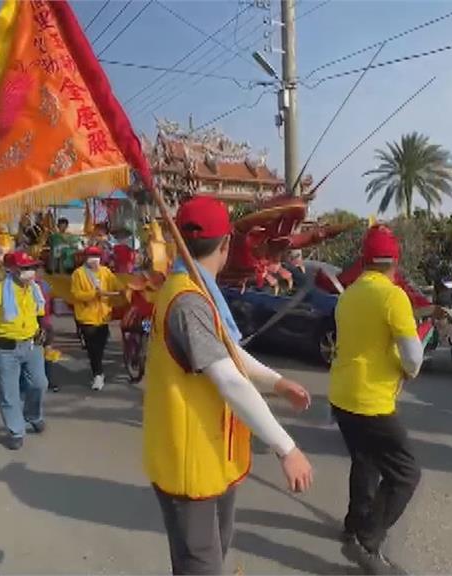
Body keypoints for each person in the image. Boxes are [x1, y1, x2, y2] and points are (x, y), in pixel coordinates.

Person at [143, 196, 314, 576]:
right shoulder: (188, 301)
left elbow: (228, 352)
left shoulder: (195, 291)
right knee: (202, 566)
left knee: (212, 557)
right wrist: (287, 448)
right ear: (225, 247)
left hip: (210, 456)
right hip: (190, 465)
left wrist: (276, 382)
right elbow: (228, 379)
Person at [328, 225, 423, 575]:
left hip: (342, 397)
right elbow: (412, 356)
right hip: (372, 402)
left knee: (365, 460)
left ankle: (354, 523)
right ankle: (369, 539)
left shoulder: (348, 295)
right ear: (393, 263)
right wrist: (407, 370)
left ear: (364, 262)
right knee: (405, 472)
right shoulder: (393, 296)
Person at [0, 251, 49, 450]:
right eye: (25, 268)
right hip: (6, 349)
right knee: (9, 393)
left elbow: (41, 314)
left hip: (32, 345)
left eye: (32, 268)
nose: (30, 272)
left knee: (39, 383)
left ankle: (33, 415)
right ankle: (16, 431)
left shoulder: (35, 289)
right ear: (13, 270)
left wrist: (44, 332)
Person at [70, 245, 121, 391]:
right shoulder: (78, 274)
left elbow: (116, 284)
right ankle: (98, 374)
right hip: (87, 318)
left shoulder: (106, 272)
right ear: (86, 258)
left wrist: (125, 288)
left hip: (103, 317)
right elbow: (76, 294)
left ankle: (98, 369)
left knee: (101, 344)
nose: (95, 260)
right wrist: (93, 294)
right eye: (91, 257)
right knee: (93, 348)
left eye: (97, 257)